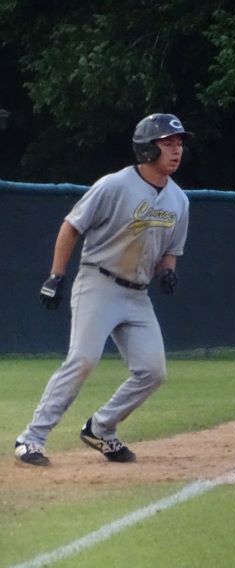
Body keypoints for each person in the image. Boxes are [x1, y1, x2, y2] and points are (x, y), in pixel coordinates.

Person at [13, 113, 192, 466]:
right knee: (83, 359)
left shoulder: (179, 201)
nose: (176, 150)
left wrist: (168, 271)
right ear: (146, 149)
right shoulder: (114, 185)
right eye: (168, 143)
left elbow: (171, 250)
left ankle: (101, 427)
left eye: (179, 144)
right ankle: (31, 438)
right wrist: (56, 276)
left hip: (138, 295)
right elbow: (71, 226)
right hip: (99, 281)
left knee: (153, 371)